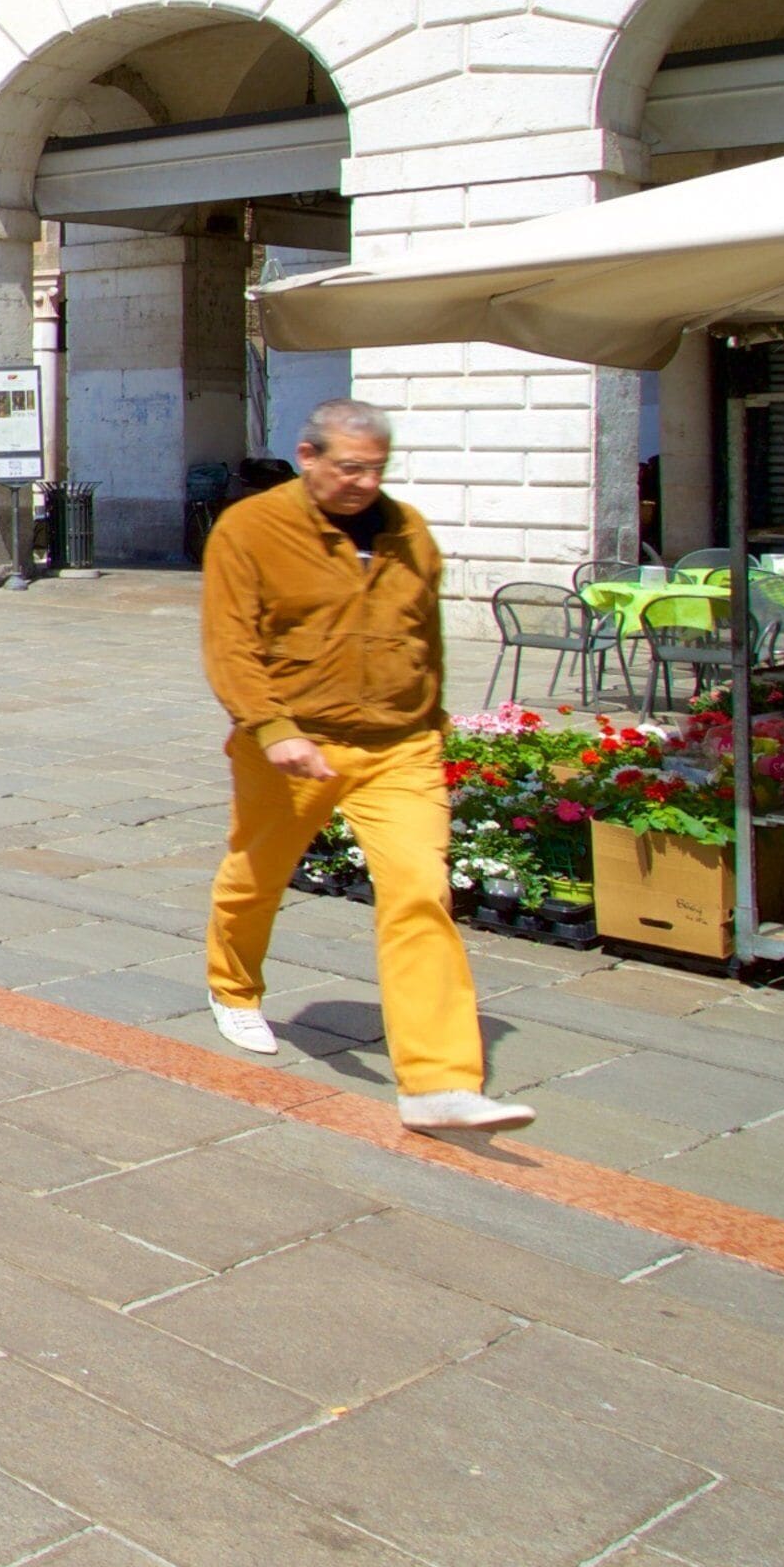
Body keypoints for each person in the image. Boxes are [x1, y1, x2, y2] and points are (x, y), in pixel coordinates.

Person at [199, 399, 526, 1133]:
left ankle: (439, 1082)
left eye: (376, 468)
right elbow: (229, 644)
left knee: (420, 892)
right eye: (350, 467)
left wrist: (435, 723)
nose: (364, 482)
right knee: (259, 870)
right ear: (308, 455)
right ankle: (233, 986)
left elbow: (424, 632)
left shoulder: (408, 530)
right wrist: (272, 726)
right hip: (291, 741)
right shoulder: (249, 530)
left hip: (400, 743)